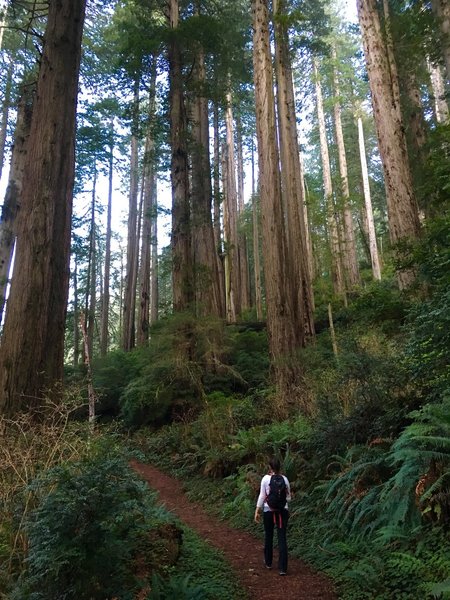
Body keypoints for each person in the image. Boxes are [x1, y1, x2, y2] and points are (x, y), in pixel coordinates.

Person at [254, 457, 291, 575]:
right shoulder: (284, 479)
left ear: (269, 467)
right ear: (279, 467)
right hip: (282, 511)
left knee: (268, 535)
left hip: (268, 510)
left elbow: (262, 495)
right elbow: (289, 498)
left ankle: (268, 562)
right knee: (282, 537)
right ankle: (283, 568)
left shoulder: (265, 479)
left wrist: (257, 510)